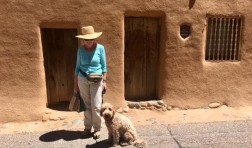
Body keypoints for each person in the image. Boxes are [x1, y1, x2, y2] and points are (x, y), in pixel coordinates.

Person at [74, 26, 107, 139]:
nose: (89, 42)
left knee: (96, 105)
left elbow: (104, 66)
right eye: (86, 40)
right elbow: (77, 67)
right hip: (82, 79)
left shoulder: (100, 48)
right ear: (83, 40)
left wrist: (105, 81)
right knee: (86, 105)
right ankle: (88, 127)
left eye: (91, 39)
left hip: (97, 80)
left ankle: (97, 129)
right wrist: (75, 86)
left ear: (94, 38)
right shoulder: (80, 50)